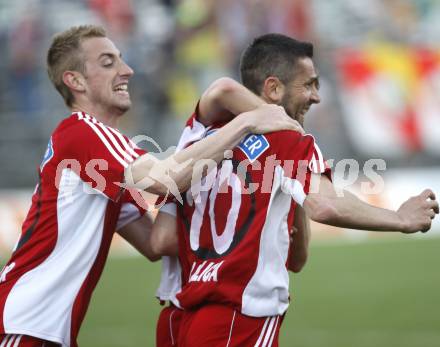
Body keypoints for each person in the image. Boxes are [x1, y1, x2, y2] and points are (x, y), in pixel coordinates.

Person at [0, 26, 300, 347]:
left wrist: (241, 215)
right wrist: (244, 123)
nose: (126, 70)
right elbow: (163, 179)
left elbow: (156, 243)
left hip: (40, 326)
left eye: (121, 60)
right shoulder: (83, 132)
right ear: (75, 81)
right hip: (25, 321)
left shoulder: (103, 163)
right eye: (107, 63)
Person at [151, 33, 439, 347]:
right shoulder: (289, 139)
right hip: (241, 314)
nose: (316, 96)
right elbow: (327, 206)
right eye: (309, 84)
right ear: (273, 88)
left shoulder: (201, 135)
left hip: (181, 315)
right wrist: (399, 218)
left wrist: (290, 198)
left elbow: (162, 240)